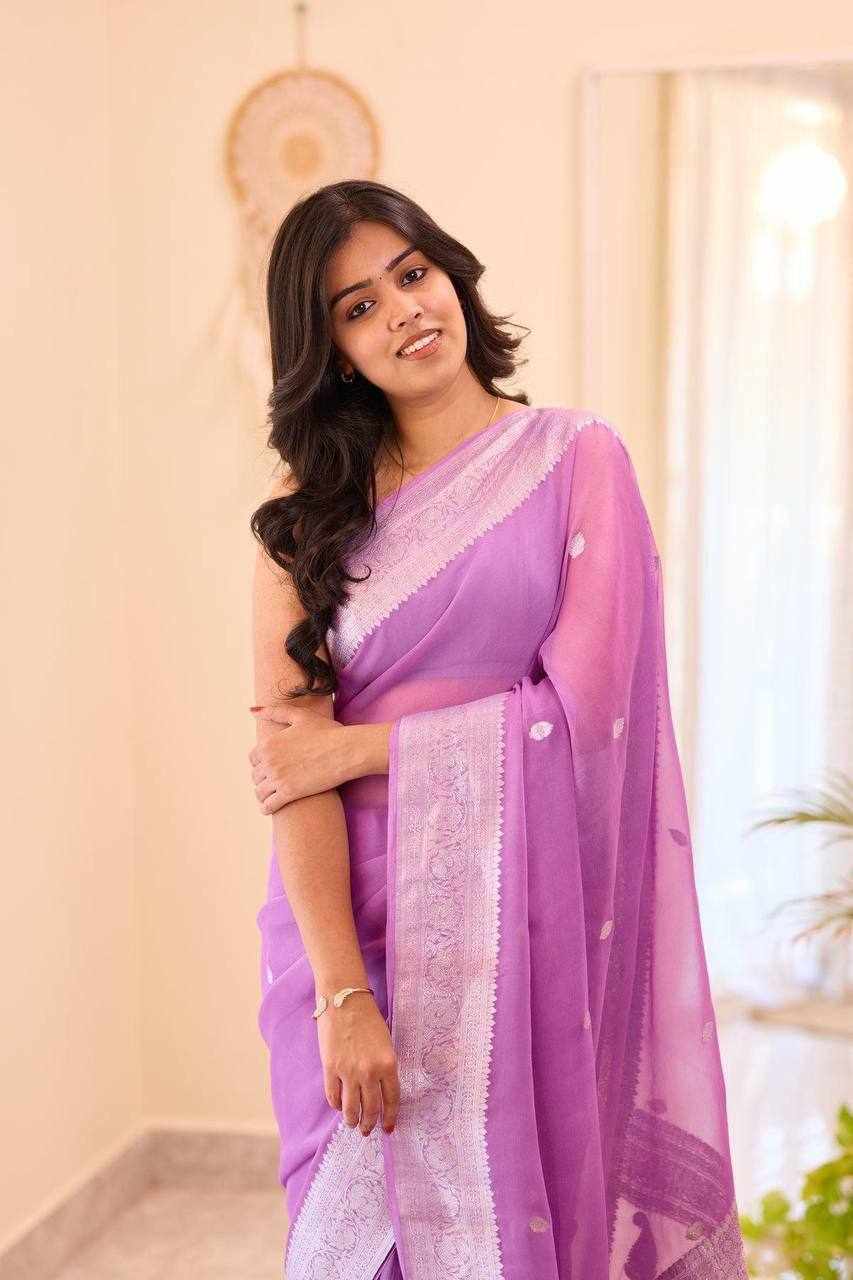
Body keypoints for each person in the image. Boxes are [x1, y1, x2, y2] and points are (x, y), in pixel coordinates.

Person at [247, 179, 748, 1280]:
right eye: (357, 307)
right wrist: (341, 994)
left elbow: (592, 714)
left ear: (452, 275)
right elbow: (291, 772)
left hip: (523, 921)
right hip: (347, 925)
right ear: (334, 352)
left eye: (411, 275)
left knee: (523, 1227)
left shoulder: (576, 460)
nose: (403, 312)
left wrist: (369, 746)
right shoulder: (305, 516)